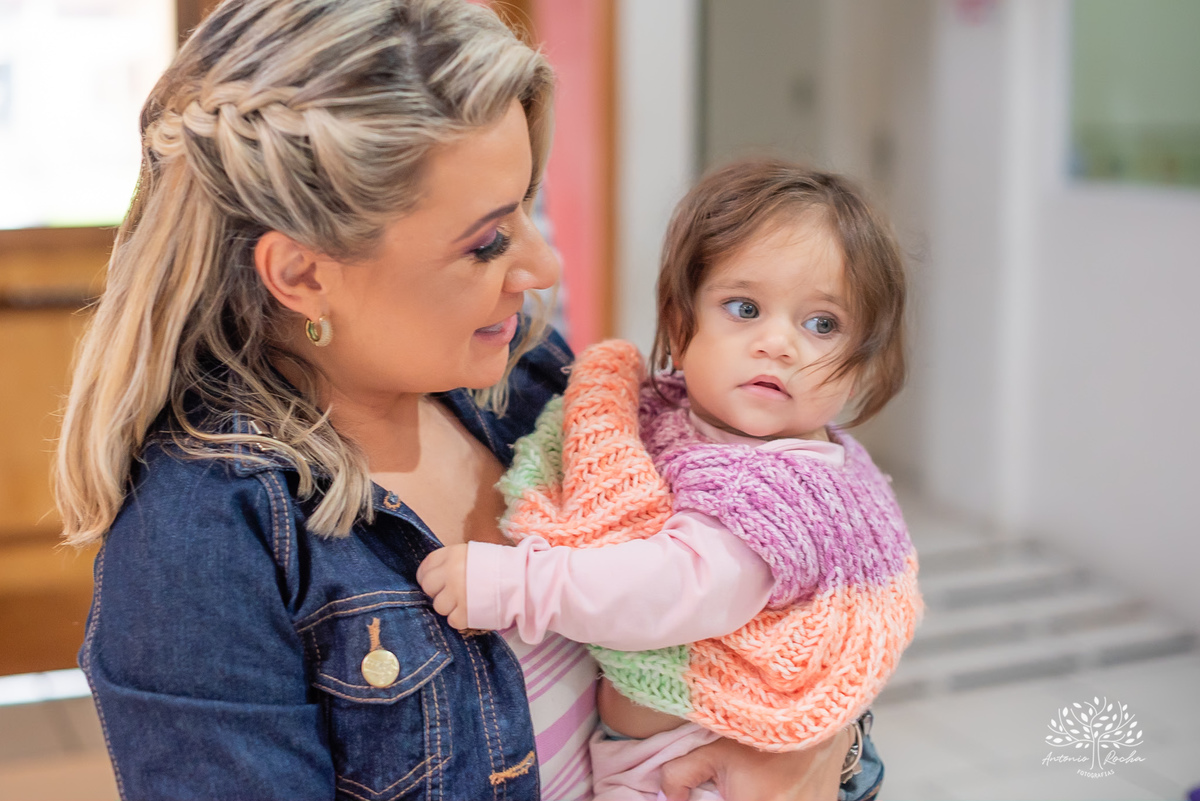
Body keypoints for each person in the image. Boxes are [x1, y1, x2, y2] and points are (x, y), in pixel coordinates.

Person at [54, 1, 875, 798]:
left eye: (525, 205)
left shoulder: (528, 380)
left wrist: (823, 747)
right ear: (303, 275)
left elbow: (792, 569)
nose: (542, 268)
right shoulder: (204, 541)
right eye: (485, 242)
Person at [418, 160, 919, 800]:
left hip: (697, 770)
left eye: (823, 325)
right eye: (744, 308)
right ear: (681, 327)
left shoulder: (787, 494)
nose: (780, 344)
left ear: (860, 368)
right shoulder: (676, 420)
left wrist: (516, 584)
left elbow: (669, 588)